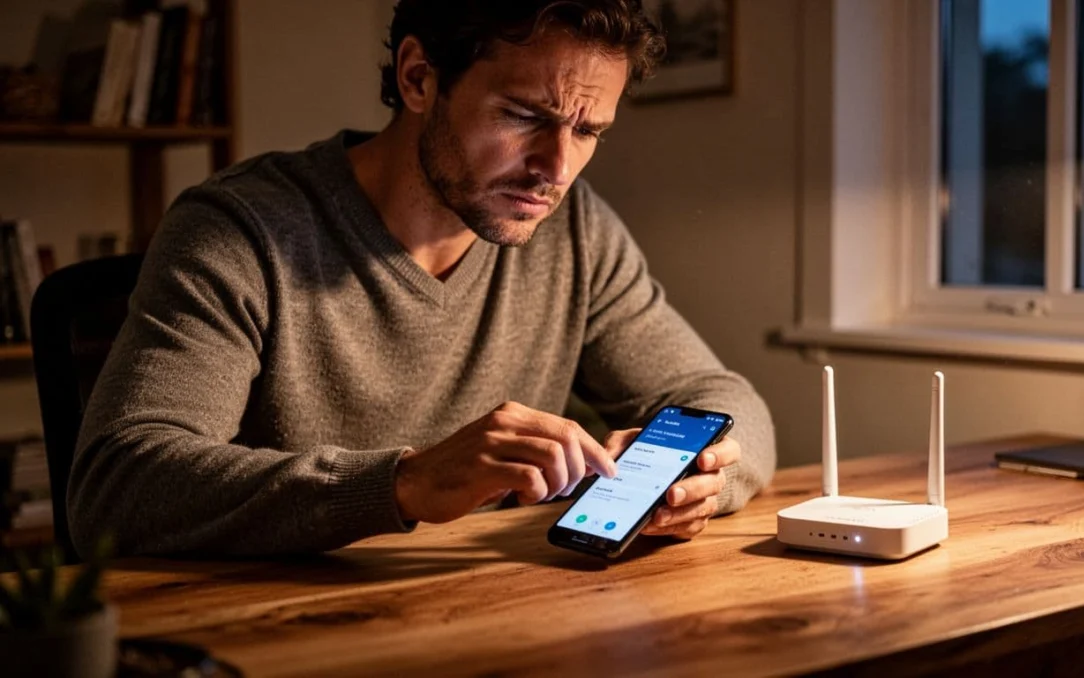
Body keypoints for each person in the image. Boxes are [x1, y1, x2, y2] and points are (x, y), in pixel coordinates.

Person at [69, 0, 776, 556]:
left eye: (588, 132)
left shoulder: (575, 229)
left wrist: (694, 479)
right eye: (524, 115)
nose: (555, 169)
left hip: (490, 611)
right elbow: (121, 484)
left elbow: (725, 401)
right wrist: (405, 483)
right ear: (418, 77)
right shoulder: (240, 228)